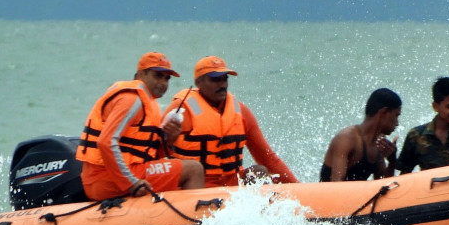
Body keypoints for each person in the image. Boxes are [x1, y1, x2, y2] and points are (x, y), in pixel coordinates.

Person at [76, 52, 205, 200]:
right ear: (141, 74)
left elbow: (144, 154)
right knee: (194, 169)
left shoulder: (148, 103)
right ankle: (199, 220)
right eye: (158, 76)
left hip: (107, 177)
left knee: (180, 171)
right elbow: (105, 142)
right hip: (106, 178)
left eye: (167, 78)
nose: (163, 83)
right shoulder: (132, 100)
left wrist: (169, 139)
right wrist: (131, 183)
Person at [166, 55, 298, 187]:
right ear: (198, 82)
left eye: (225, 79)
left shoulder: (240, 111)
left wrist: (298, 188)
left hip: (233, 185)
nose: (222, 84)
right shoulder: (181, 110)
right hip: (197, 185)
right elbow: (155, 151)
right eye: (215, 79)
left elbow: (268, 160)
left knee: (260, 171)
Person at [395, 76, 449, 173]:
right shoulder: (415, 136)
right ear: (435, 107)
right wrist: (391, 157)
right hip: (428, 186)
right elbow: (404, 174)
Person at [320, 88, 402, 181]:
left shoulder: (378, 144)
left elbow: (383, 184)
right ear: (384, 112)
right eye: (396, 116)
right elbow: (336, 184)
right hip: (331, 194)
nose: (397, 123)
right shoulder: (347, 138)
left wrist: (392, 160)